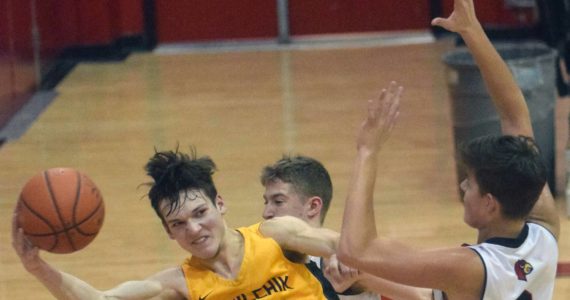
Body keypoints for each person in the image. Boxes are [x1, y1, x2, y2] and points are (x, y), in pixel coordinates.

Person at [337, 0, 560, 299]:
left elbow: (355, 250)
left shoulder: (468, 267)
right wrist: (472, 31)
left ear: (490, 204)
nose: (463, 185)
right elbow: (515, 116)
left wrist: (367, 151)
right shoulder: (544, 233)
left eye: (471, 183)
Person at [12, 148, 345, 299]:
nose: (194, 230)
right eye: (179, 223)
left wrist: (340, 256)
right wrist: (38, 268)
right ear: (169, 233)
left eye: (200, 213)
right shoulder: (180, 284)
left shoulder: (274, 234)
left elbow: (335, 243)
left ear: (220, 204)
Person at [261, 155, 430, 300]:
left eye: (278, 202)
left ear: (313, 206)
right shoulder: (260, 262)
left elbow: (427, 296)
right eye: (266, 202)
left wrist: (363, 274)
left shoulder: (346, 261)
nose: (266, 213)